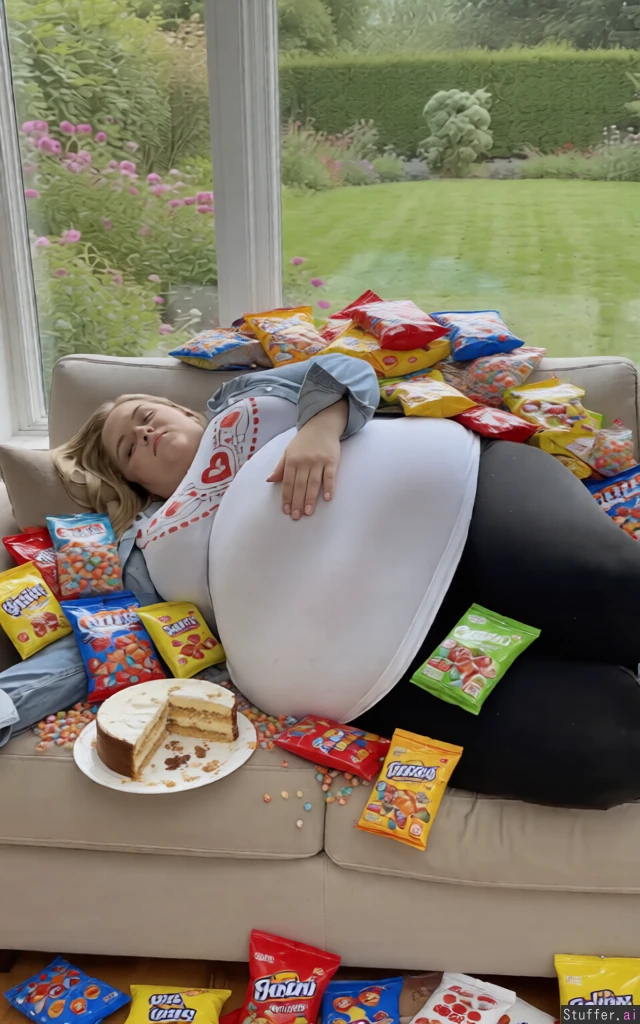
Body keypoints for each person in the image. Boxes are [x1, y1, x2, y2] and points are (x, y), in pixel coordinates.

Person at [47, 354, 640, 810]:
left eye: (147, 416)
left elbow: (346, 368)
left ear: (183, 411)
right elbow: (106, 642)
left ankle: (571, 632)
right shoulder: (148, 544)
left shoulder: (241, 399)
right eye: (129, 448)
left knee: (608, 588)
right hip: (391, 668)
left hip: (469, 508)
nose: (145, 434)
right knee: (599, 748)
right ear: (137, 483)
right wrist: (12, 702)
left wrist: (320, 426)